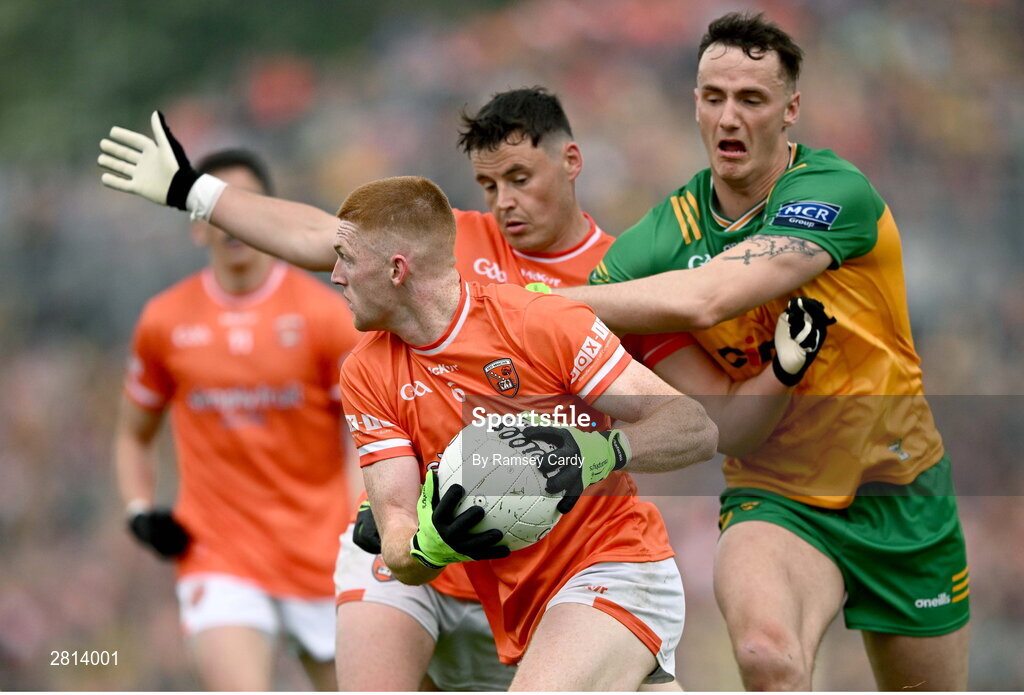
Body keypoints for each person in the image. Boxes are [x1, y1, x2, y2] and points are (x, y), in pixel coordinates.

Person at [98, 91, 830, 690]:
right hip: (440, 558)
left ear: (571, 163)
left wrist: (776, 376)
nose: (503, 202)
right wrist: (194, 190)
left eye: (519, 178)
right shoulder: (441, 253)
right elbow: (326, 235)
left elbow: (705, 421)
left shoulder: (617, 279)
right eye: (488, 185)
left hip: (571, 559)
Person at [559, 12, 970, 691]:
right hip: (776, 498)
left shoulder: (835, 193)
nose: (729, 117)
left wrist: (553, 301)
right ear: (694, 103)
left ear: (790, 110)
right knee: (765, 655)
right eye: (713, 96)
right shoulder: (657, 241)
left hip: (902, 492)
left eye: (751, 99)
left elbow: (713, 294)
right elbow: (721, 421)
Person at [331, 174, 721, 690]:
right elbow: (396, 533)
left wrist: (598, 453)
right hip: (525, 608)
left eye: (345, 258)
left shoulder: (538, 321)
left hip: (616, 569)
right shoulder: (365, 373)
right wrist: (432, 547)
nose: (335, 275)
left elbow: (693, 425)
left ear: (396, 270)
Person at [112, 149, 361, 691]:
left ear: (265, 215)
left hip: (321, 554)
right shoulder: (164, 321)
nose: (229, 223)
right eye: (212, 208)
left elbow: (367, 435)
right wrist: (139, 510)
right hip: (219, 556)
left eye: (241, 205)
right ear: (196, 228)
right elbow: (134, 434)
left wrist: (360, 523)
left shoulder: (327, 317)